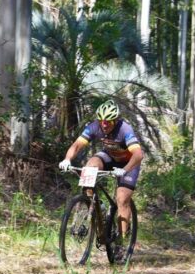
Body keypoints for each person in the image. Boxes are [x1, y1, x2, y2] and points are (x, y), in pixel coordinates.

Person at [58, 100, 144, 262]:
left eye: (108, 121)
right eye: (101, 121)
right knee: (90, 165)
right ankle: (95, 205)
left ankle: (120, 243)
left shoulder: (125, 129)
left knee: (122, 199)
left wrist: (125, 170)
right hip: (109, 157)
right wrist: (67, 159)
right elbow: (77, 145)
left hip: (129, 163)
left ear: (115, 120)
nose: (104, 125)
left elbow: (138, 155)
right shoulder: (94, 127)